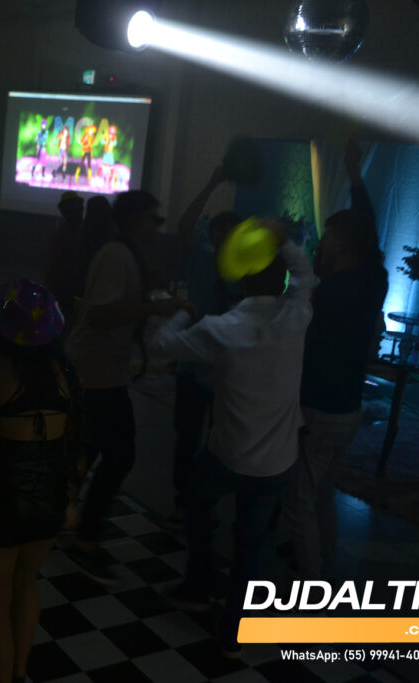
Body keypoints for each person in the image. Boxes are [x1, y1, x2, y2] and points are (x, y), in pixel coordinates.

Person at [153, 219, 313, 657]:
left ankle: (197, 584)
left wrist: (182, 311)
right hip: (277, 462)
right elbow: (305, 276)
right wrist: (284, 239)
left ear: (240, 281)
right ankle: (234, 628)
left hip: (227, 456)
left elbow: (161, 346)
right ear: (280, 279)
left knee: (196, 503)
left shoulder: (220, 329)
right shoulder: (296, 316)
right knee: (252, 544)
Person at [63, 191, 186, 583]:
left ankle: (64, 518)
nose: (158, 227)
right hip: (96, 373)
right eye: (154, 219)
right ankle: (84, 537)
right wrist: (154, 307)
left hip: (100, 371)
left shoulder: (125, 254)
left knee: (90, 450)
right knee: (119, 454)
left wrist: (152, 289)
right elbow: (99, 313)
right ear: (135, 220)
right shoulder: (117, 256)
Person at [284, 140, 388, 580]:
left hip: (321, 409)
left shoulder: (328, 295)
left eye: (328, 237)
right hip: (347, 409)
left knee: (300, 499)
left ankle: (311, 582)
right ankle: (324, 566)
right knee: (323, 493)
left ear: (343, 245)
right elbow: (369, 230)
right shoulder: (374, 280)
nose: (322, 243)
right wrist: (354, 178)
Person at [0, 278, 73, 683]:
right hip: (49, 500)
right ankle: (20, 670)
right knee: (27, 582)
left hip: (1, 501)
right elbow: (72, 443)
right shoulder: (64, 374)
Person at [171, 166, 241, 524]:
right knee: (187, 436)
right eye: (220, 233)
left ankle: (202, 502)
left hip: (226, 370)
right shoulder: (201, 259)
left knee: (219, 440)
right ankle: (186, 501)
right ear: (213, 235)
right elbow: (184, 226)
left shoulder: (245, 272)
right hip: (194, 365)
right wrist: (211, 183)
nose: (224, 240)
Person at [66, 195, 114, 325]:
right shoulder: (113, 239)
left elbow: (80, 271)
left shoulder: (83, 237)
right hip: (106, 300)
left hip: (86, 298)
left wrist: (78, 299)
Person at [44, 191, 84, 317]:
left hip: (62, 292)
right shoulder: (86, 232)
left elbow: (51, 267)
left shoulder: (59, 235)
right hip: (76, 293)